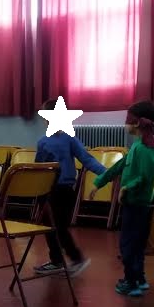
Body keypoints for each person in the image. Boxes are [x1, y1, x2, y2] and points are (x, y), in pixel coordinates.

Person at [91, 101, 154, 297]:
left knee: (129, 245)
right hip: (133, 204)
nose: (125, 124)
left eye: (127, 120)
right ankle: (139, 279)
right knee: (135, 244)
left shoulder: (145, 149)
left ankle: (132, 282)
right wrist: (99, 182)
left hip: (138, 206)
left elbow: (145, 176)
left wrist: (126, 188)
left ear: (136, 123)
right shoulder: (137, 146)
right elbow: (119, 166)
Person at [33, 99, 107, 277]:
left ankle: (77, 259)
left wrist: (107, 174)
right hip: (47, 191)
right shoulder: (42, 142)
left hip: (63, 191)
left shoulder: (69, 139)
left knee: (59, 227)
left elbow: (87, 159)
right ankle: (57, 261)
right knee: (49, 227)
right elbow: (38, 167)